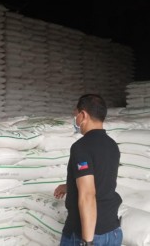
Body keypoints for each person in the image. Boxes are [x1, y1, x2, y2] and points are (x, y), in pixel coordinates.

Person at [54, 94, 122, 246]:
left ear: (83, 115)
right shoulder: (112, 145)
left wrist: (87, 242)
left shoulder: (81, 147)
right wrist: (67, 187)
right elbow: (101, 181)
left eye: (75, 115)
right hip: (113, 231)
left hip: (87, 234)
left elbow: (88, 195)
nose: (75, 120)